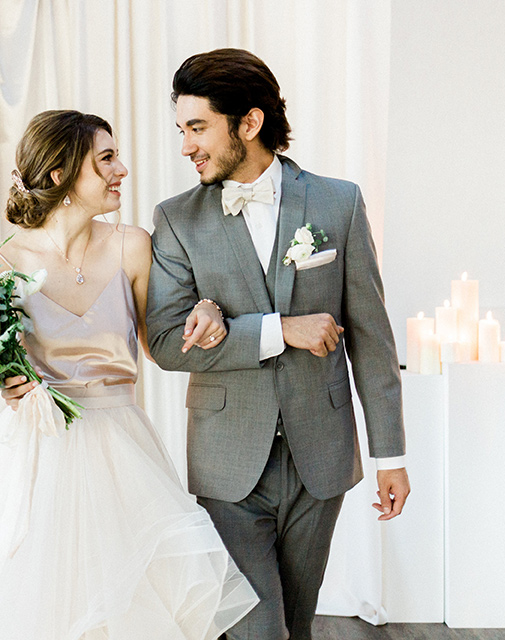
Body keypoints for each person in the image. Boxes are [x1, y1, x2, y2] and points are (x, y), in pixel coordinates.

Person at [0, 109, 258, 640]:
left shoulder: (132, 245)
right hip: (37, 452)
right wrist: (4, 382)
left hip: (122, 451)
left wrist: (207, 309)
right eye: (107, 159)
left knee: (128, 601)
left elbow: (158, 347)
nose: (122, 170)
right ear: (59, 175)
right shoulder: (1, 262)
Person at [144, 49, 411, 640]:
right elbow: (166, 342)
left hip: (323, 457)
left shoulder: (338, 203)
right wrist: (278, 329)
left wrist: (389, 455)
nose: (186, 145)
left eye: (197, 127)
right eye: (182, 129)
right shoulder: (175, 221)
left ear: (249, 123)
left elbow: (371, 337)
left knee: (294, 624)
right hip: (228, 462)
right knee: (258, 630)